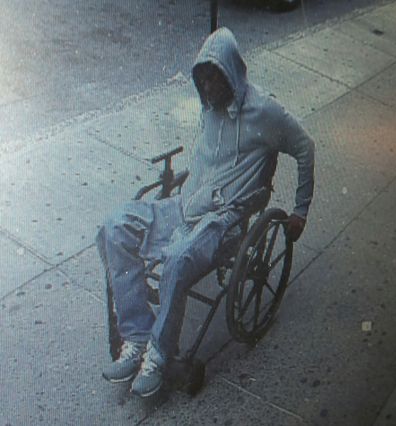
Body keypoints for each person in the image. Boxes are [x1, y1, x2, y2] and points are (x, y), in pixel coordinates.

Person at [96, 27, 315, 398]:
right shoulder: (208, 104)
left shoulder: (265, 112)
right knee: (115, 227)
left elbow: (306, 148)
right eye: (202, 79)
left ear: (231, 73)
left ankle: (159, 354)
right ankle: (136, 337)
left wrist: (300, 209)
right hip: (185, 206)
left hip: (223, 221)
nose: (207, 88)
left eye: (214, 78)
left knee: (179, 260)